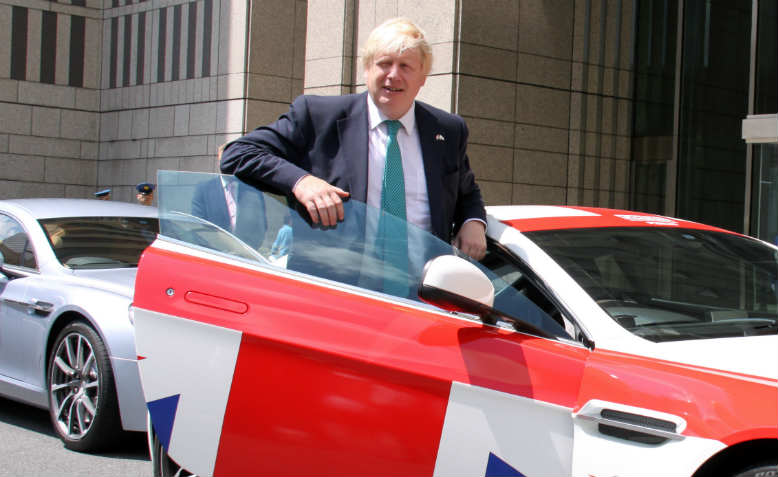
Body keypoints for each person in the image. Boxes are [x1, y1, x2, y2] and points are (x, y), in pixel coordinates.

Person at [220, 17, 487, 261]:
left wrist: (473, 221)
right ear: (367, 70)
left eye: (405, 66)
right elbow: (239, 153)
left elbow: (466, 190)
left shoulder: (447, 130)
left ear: (422, 78)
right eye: (384, 63)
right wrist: (301, 182)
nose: (393, 74)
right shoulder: (317, 116)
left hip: (422, 292)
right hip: (340, 290)